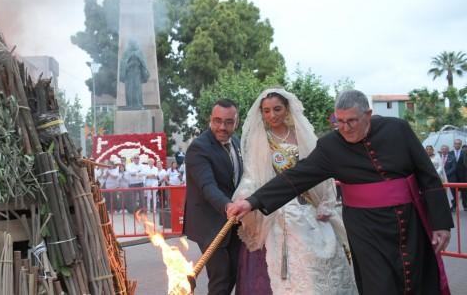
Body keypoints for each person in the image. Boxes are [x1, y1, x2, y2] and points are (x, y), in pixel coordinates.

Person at [228, 90, 453, 295]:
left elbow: (427, 176)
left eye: (352, 121)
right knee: (380, 285)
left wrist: (440, 223)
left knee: (417, 279)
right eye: (340, 121)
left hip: (409, 222)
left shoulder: (398, 129)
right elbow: (295, 177)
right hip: (366, 230)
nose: (345, 128)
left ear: (368, 114)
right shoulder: (331, 145)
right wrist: (252, 201)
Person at [232, 88, 356, 294]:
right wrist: (245, 198)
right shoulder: (260, 140)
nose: (272, 115)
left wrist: (326, 202)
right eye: (267, 111)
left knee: (327, 260)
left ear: (287, 109)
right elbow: (252, 176)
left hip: (310, 206)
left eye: (277, 109)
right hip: (279, 210)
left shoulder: (301, 135)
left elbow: (322, 171)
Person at [183, 98, 243, 295]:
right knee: (221, 277)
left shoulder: (237, 142)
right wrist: (228, 206)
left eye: (228, 122)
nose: (222, 127)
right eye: (217, 120)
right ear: (210, 119)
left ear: (237, 121)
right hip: (209, 224)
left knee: (234, 273)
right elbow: (207, 186)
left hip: (235, 223)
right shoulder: (199, 147)